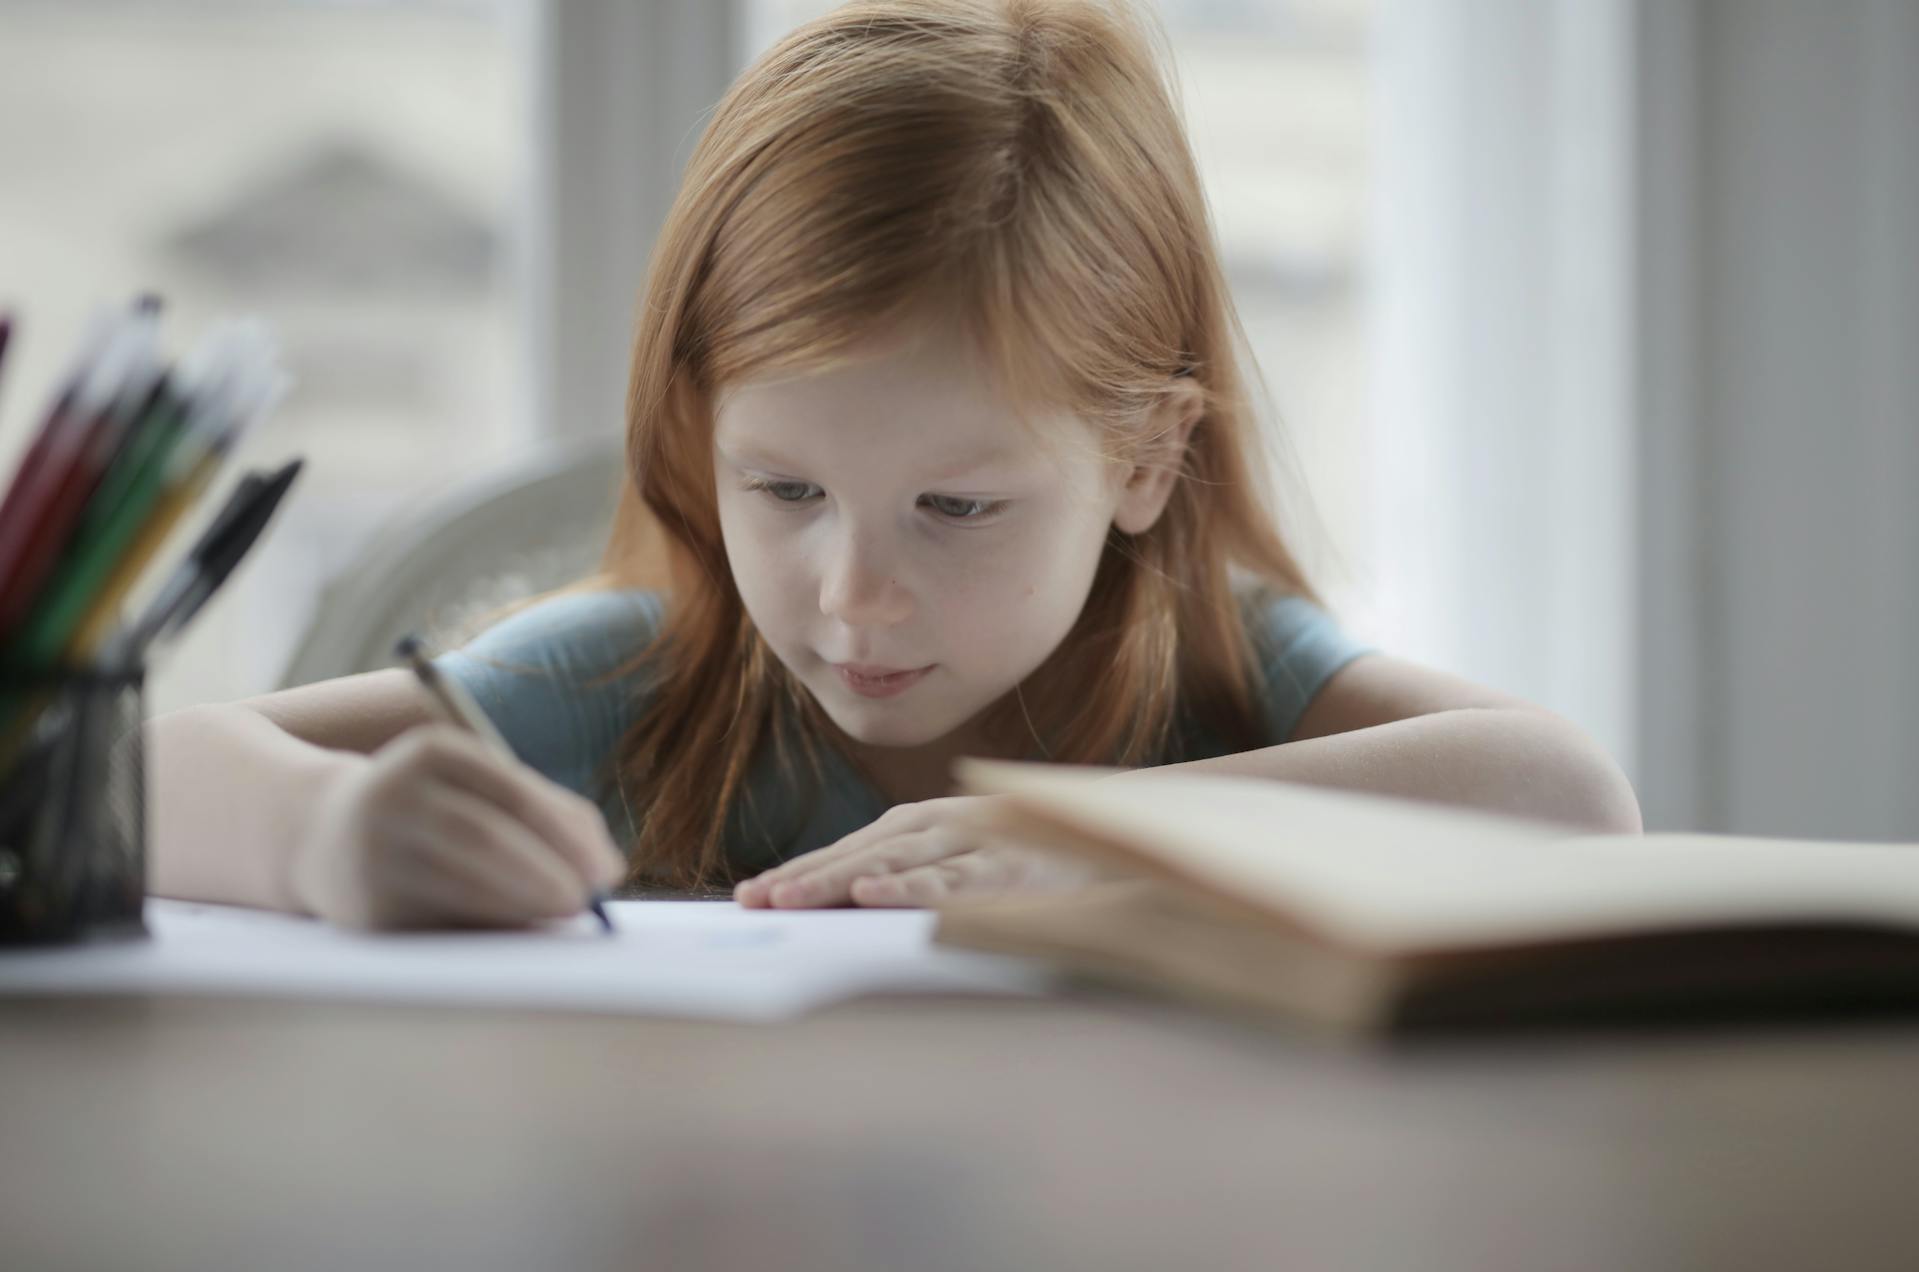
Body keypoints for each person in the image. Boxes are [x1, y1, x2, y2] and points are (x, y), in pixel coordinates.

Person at [148, 0, 1640, 931]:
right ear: (700, 431)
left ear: (1143, 457)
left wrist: (1097, 838)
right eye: (784, 491)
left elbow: (1565, 795)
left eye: (956, 507)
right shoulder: (642, 687)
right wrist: (317, 831)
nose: (853, 602)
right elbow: (118, 776)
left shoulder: (1209, 675)